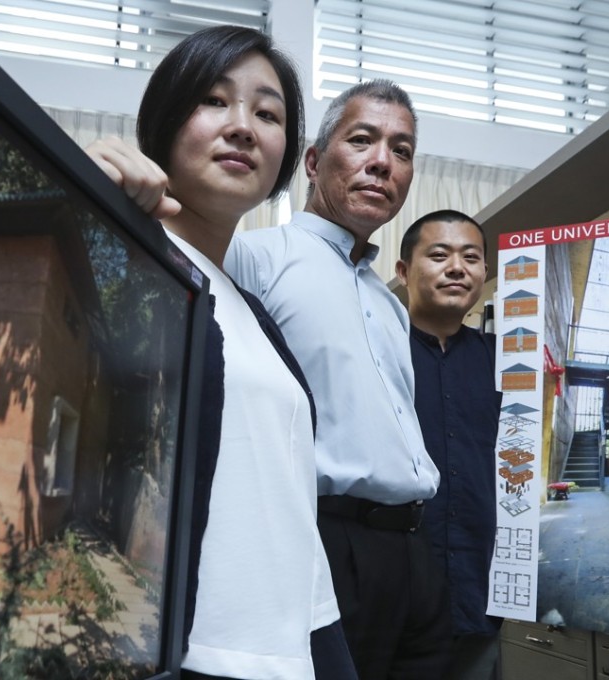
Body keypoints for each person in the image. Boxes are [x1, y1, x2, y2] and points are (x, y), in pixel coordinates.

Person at [85, 25, 355, 680]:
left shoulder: (252, 314)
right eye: (215, 100)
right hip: (190, 657)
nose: (244, 127)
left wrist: (331, 657)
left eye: (267, 114)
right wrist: (80, 198)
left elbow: (289, 509)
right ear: (166, 122)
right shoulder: (132, 268)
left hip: (288, 657)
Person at [223, 80, 447, 680]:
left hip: (415, 552)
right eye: (362, 140)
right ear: (316, 163)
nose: (382, 162)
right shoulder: (254, 258)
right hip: (328, 542)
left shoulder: (391, 303)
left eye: (401, 151)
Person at [395, 210, 504, 679]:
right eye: (439, 255)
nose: (457, 268)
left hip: (482, 587)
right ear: (403, 271)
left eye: (471, 258)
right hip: (395, 589)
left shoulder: (506, 366)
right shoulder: (376, 351)